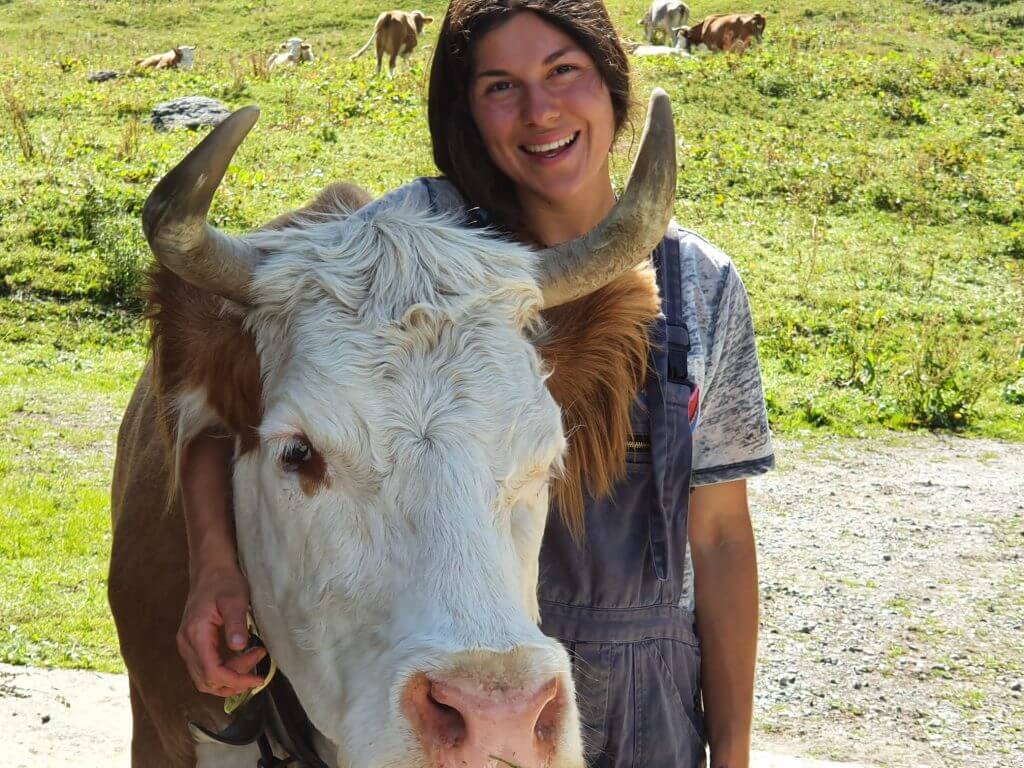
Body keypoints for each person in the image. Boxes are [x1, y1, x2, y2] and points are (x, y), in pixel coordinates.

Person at [176, 1, 774, 767]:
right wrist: (214, 569)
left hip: (638, 709)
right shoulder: (395, 253)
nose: (540, 110)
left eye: (564, 72)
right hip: (426, 691)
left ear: (614, 84)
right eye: (500, 86)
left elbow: (720, 534)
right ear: (466, 112)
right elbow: (234, 419)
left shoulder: (699, 284)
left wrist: (732, 749)